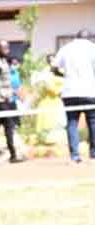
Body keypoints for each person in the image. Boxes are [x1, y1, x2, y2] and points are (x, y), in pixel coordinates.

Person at [52, 29, 95, 163]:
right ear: (89, 38)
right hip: (90, 91)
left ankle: (75, 156)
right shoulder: (92, 48)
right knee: (93, 122)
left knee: (72, 123)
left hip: (70, 92)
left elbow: (53, 68)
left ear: (76, 37)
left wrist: (65, 75)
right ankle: (94, 153)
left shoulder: (66, 48)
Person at [0, 40, 23, 163]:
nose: (7, 50)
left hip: (8, 98)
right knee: (8, 125)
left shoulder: (5, 60)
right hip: (0, 99)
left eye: (8, 48)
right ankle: (13, 154)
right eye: (5, 48)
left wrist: (14, 93)